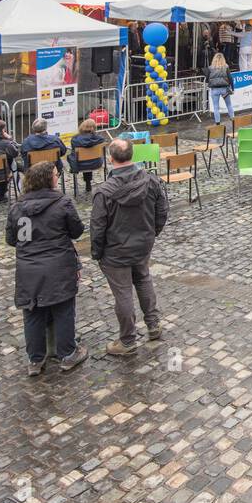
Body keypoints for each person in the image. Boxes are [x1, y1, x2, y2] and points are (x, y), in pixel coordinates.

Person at [7, 161, 88, 376]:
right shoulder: (62, 204)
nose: (57, 177)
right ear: (46, 179)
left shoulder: (17, 207)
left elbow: (10, 238)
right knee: (63, 308)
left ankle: (35, 359)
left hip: (28, 267)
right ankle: (68, 353)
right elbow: (77, 231)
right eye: (54, 174)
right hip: (58, 264)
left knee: (32, 312)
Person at [91, 137, 169, 356]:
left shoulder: (104, 192)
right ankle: (153, 325)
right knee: (143, 280)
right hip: (142, 244)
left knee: (123, 292)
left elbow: (97, 227)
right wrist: (152, 234)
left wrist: (97, 253)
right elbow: (162, 211)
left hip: (116, 250)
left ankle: (127, 340)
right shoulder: (151, 181)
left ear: (110, 158)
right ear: (132, 155)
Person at [67, 117, 106, 193]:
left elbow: (74, 153)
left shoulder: (75, 139)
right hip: (96, 163)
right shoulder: (99, 139)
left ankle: (87, 183)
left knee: (83, 159)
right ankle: (88, 183)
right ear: (94, 127)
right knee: (89, 159)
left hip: (80, 165)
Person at [206, 52, 235, 125]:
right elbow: (230, 78)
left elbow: (207, 79)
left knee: (216, 107)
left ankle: (218, 123)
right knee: (229, 105)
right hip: (224, 88)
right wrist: (233, 88)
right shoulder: (226, 67)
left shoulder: (210, 68)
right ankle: (232, 119)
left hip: (214, 89)